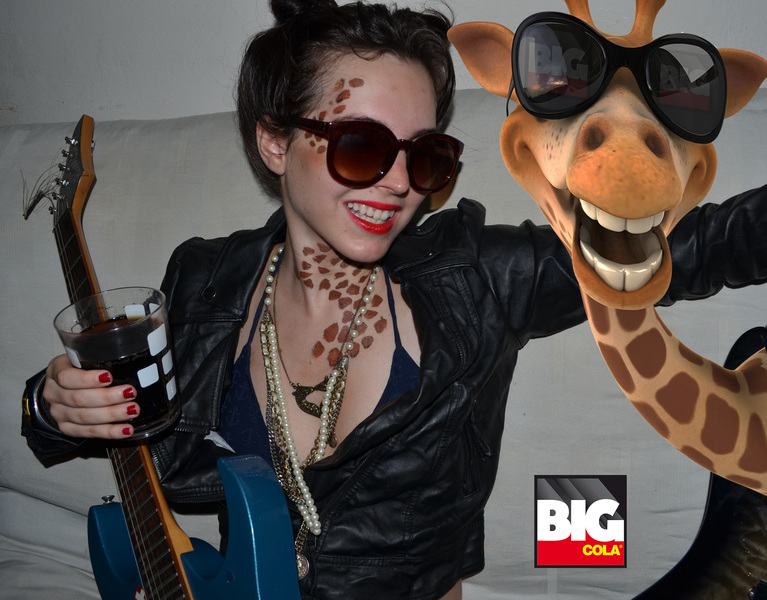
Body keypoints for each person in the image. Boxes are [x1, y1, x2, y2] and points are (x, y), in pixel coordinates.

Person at [20, 0, 767, 598]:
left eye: (425, 155)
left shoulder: (474, 279)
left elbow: (700, 245)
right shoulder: (205, 282)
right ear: (275, 142)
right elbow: (111, 417)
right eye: (362, 146)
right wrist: (53, 409)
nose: (398, 183)